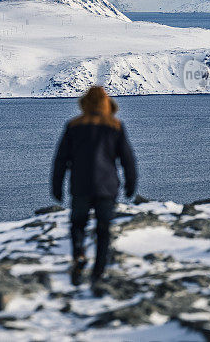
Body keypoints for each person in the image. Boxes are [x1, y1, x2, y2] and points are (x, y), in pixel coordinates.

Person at [52, 86, 137, 287]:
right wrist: (130, 183)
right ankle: (98, 272)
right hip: (106, 187)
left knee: (78, 224)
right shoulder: (115, 126)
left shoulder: (73, 126)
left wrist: (56, 186)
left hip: (80, 185)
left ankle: (79, 254)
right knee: (103, 229)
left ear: (85, 104)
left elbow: (61, 160)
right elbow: (128, 160)